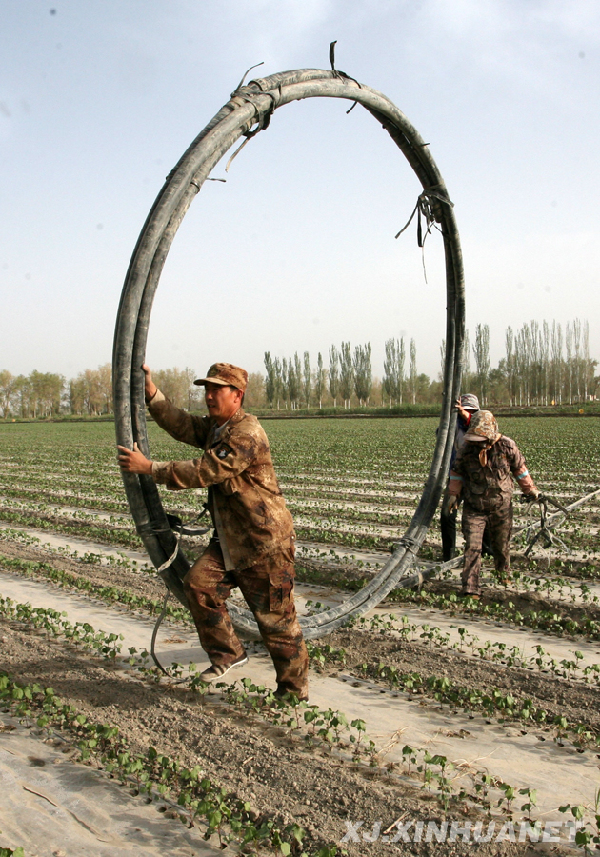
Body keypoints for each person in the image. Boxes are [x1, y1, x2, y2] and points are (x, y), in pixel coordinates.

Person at [117, 362, 309, 700]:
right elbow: (184, 425)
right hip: (231, 540)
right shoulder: (217, 427)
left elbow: (205, 471)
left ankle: (293, 694)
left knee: (277, 624)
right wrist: (152, 394)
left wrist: (150, 468)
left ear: (237, 395)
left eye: (216, 390)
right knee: (198, 585)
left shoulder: (245, 433)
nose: (208, 396)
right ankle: (229, 653)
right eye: (206, 389)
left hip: (265, 543)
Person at [447, 410, 540, 599]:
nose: (478, 442)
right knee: (472, 547)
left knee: (501, 545)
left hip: (501, 506)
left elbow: (520, 470)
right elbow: (456, 472)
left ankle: (502, 572)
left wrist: (530, 489)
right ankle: (471, 587)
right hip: (474, 506)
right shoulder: (466, 449)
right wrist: (452, 495)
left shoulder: (507, 446)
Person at [440, 393, 481, 561]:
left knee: (478, 517)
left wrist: (466, 415)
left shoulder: (481, 422)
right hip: (456, 475)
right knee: (447, 514)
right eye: (465, 409)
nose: (467, 413)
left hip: (478, 478)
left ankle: (485, 552)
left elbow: (476, 424)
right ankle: (448, 556)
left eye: (471, 410)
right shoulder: (452, 425)